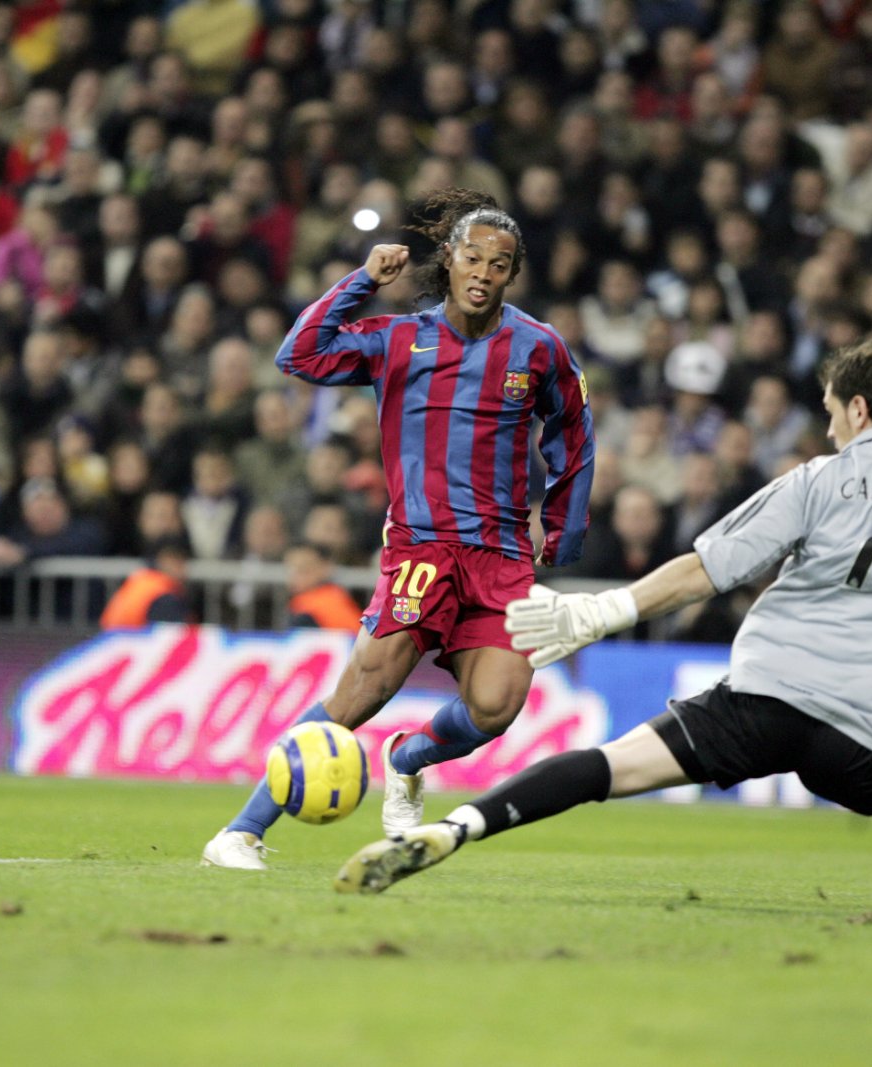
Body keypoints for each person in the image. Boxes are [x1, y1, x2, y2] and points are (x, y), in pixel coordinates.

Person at [335, 339, 872, 911]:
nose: (826, 424)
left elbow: (709, 566)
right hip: (870, 747)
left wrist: (602, 610)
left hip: (761, 698)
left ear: (855, 410)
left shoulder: (817, 479)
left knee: (610, 765)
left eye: (827, 410)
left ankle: (459, 825)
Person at [202, 189, 595, 870]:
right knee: (364, 688)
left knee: (496, 705)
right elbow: (299, 356)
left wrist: (560, 524)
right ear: (449, 259)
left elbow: (574, 433)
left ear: (511, 273)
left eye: (498, 264)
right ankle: (239, 831)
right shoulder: (399, 338)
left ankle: (409, 757)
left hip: (501, 556)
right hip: (421, 545)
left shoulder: (539, 348)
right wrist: (360, 283)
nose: (482, 272)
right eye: (471, 257)